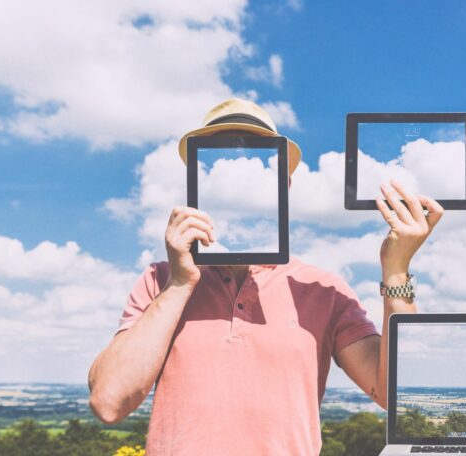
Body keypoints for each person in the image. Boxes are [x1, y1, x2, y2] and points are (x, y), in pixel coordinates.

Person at [88, 98, 444, 455]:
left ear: (284, 185)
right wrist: (180, 283)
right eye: (216, 162)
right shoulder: (160, 279)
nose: (237, 175)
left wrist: (396, 269)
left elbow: (395, 395)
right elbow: (109, 401)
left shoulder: (323, 289)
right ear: (197, 181)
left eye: (258, 165)